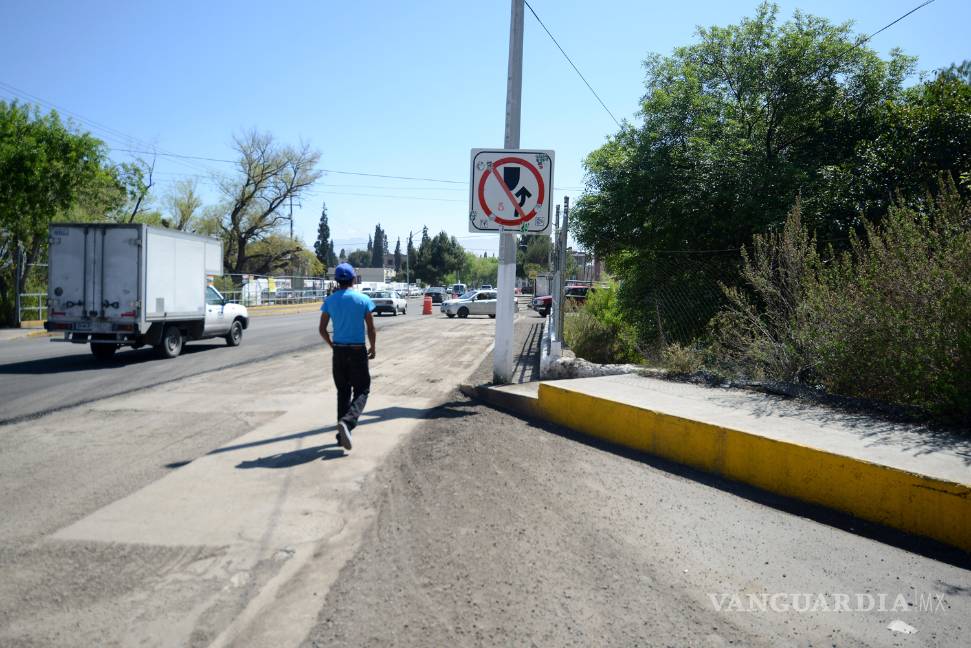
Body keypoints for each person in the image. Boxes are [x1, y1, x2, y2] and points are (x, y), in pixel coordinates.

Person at [318, 263, 377, 450]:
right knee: (362, 389)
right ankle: (348, 423)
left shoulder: (330, 301)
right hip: (358, 350)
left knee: (343, 392)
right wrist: (373, 347)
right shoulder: (363, 299)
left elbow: (322, 329)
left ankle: (341, 436)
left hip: (339, 351)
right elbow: (371, 327)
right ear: (353, 279)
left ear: (337, 280)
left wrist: (332, 345)